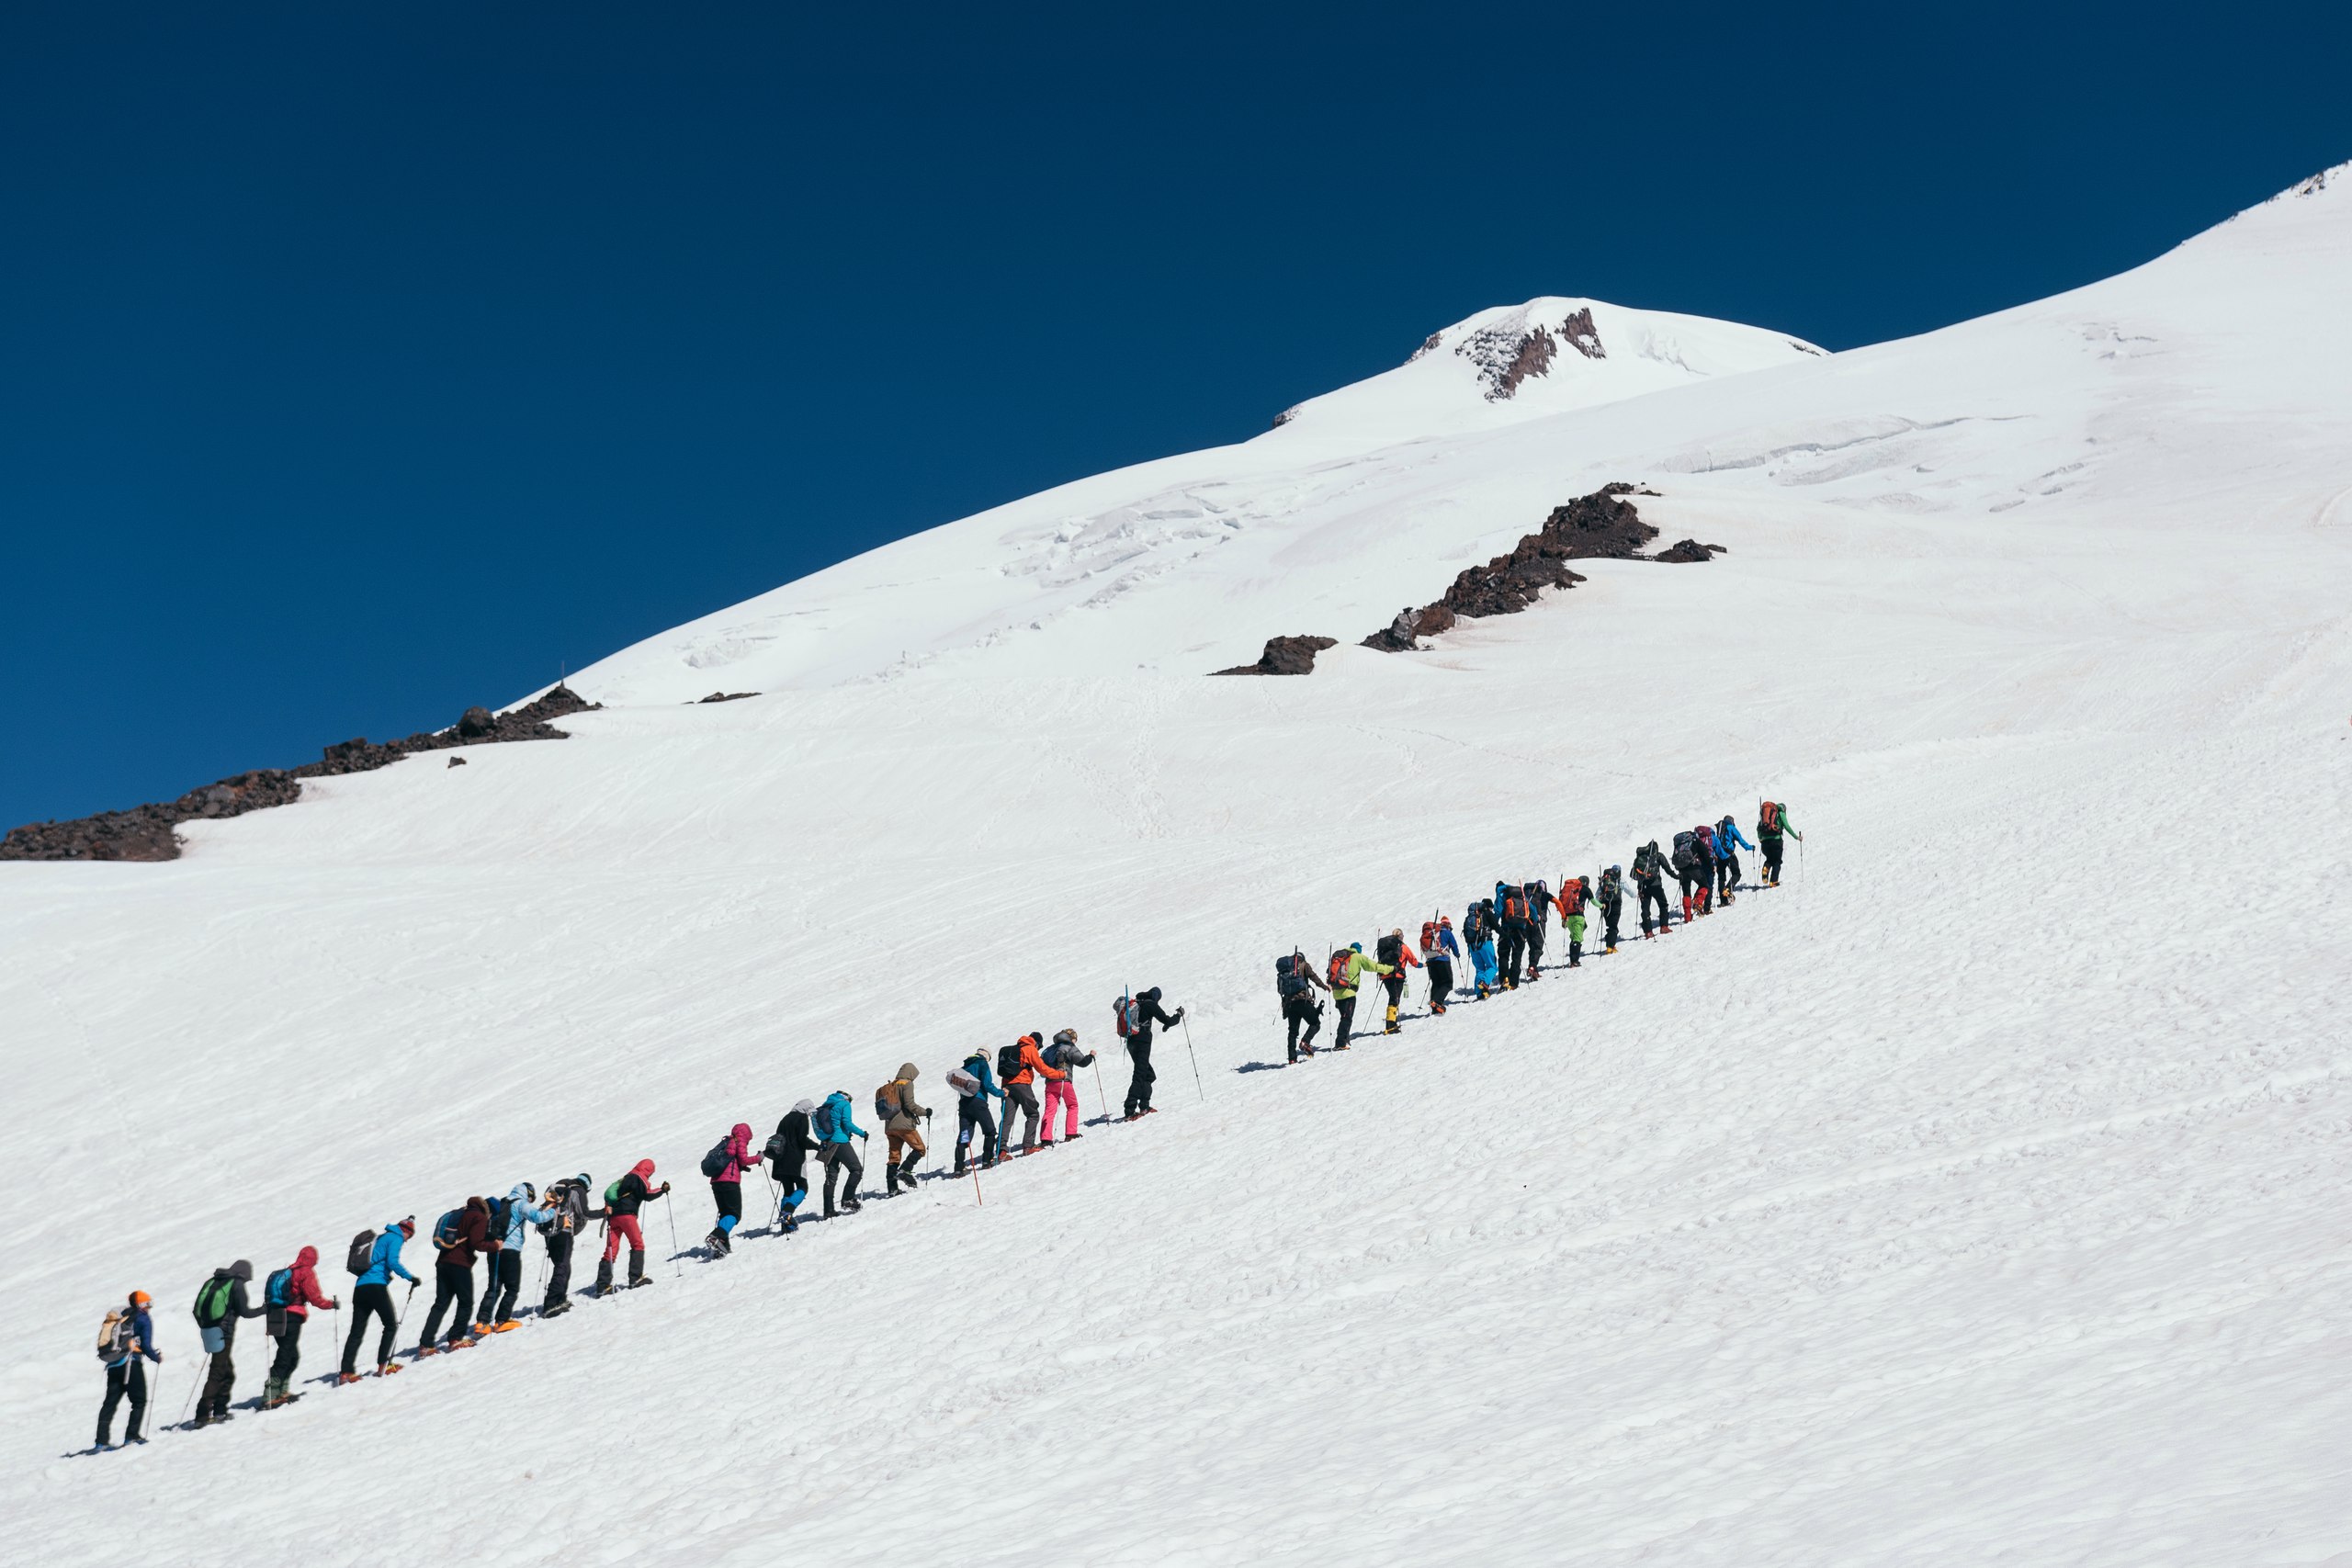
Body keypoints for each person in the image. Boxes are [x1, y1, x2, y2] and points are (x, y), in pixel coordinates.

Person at [191, 1258, 267, 1427]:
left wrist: (207, 1327)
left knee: (227, 1373)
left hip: (209, 1331)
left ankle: (220, 1411)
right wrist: (264, 1310)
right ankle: (203, 1415)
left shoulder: (214, 1281)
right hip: (223, 1334)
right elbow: (245, 1312)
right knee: (217, 1373)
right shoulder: (237, 1284)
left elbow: (196, 1309)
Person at [340, 1217, 418, 1382]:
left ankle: (345, 1372)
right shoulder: (395, 1238)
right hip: (376, 1286)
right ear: (406, 1231)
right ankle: (385, 1365)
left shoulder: (380, 1238)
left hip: (360, 1287)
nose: (406, 1241)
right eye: (408, 1237)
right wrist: (410, 1277)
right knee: (390, 1325)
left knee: (356, 1331)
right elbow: (393, 1261)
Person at [262, 1246, 336, 1408]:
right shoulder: (305, 1272)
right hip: (292, 1317)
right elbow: (315, 1297)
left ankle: (281, 1391)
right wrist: (330, 1304)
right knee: (285, 1355)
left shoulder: (288, 1271)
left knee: (291, 1355)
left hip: (275, 1316)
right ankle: (270, 1394)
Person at [419, 1197, 488, 1354]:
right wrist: (495, 1245)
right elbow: (477, 1243)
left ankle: (426, 1344)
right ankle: (455, 1339)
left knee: (440, 1304)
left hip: (443, 1262)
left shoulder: (459, 1214)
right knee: (465, 1302)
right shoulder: (479, 1217)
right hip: (460, 1264)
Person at [481, 1183, 556, 1323]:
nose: (530, 1201)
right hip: (511, 1250)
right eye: (531, 1198)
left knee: (493, 1287)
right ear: (528, 1194)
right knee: (512, 1287)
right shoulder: (520, 1203)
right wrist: (553, 1212)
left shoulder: (502, 1202)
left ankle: (482, 1322)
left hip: (493, 1248)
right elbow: (537, 1217)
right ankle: (502, 1320)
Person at [96, 1290, 161, 1450]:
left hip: (114, 1363)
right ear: (142, 1304)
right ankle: (131, 1437)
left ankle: (100, 1442)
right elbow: (145, 1345)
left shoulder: (122, 1316)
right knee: (139, 1401)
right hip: (131, 1364)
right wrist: (156, 1357)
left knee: (110, 1403)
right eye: (148, 1304)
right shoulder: (143, 1318)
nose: (149, 1308)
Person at [595, 1160, 670, 1294]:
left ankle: (603, 1285)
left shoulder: (626, 1177)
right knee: (637, 1245)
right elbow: (647, 1195)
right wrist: (662, 1190)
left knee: (611, 1250)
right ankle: (635, 1278)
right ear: (648, 1169)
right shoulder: (638, 1177)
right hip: (627, 1216)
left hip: (614, 1216)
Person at [537, 1175, 595, 1314]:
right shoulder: (578, 1191)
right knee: (562, 1266)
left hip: (550, 1232)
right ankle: (551, 1303)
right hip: (563, 1232)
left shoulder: (558, 1187)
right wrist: (603, 1213)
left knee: (561, 1266)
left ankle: (560, 1299)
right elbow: (583, 1213)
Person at [1122, 987, 1182, 1117]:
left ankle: (1144, 1105)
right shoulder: (1150, 1004)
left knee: (1148, 1074)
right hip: (1142, 1042)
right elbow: (1167, 1020)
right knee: (1139, 1074)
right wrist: (1178, 1015)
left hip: (1131, 1042)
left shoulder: (1137, 1003)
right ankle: (1129, 1110)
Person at [705, 1127, 759, 1256]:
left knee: (725, 1213)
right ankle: (716, 1236)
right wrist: (759, 1157)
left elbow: (732, 1160)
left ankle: (723, 1246)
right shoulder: (739, 1141)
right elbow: (743, 1159)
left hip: (716, 1182)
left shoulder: (726, 1141)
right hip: (730, 1182)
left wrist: (741, 1167)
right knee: (734, 1214)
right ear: (746, 1135)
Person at [768, 1104, 822, 1229]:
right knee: (803, 1187)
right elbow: (802, 1140)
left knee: (788, 1191)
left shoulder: (785, 1118)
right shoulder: (801, 1118)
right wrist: (817, 1146)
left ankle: (786, 1226)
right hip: (795, 1160)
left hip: (781, 1160)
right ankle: (787, 1211)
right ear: (806, 1108)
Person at [948, 1053, 1003, 1174]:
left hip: (964, 1105)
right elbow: (987, 1084)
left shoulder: (965, 1066)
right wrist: (1001, 1093)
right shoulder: (982, 1064)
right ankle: (986, 1161)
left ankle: (959, 1168)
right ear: (987, 1056)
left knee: (964, 1135)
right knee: (990, 1131)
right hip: (978, 1103)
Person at [1331, 943, 1392, 1049]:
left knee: (1344, 1017)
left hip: (1337, 992)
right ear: (1358, 950)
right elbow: (1374, 966)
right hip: (1348, 992)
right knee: (1347, 1018)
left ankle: (1345, 1040)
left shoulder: (1341, 957)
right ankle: (1340, 1043)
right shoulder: (1358, 957)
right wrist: (1390, 969)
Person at [817, 1092, 868, 1215]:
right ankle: (848, 1199)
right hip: (840, 1142)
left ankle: (828, 1210)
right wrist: (862, 1133)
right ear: (847, 1098)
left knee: (831, 1177)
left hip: (827, 1142)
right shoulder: (844, 1104)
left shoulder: (829, 1105)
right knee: (856, 1169)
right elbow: (847, 1123)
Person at [882, 1064, 931, 1192]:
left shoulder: (891, 1085)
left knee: (894, 1156)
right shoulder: (907, 1084)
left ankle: (892, 1189)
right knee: (920, 1149)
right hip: (904, 1125)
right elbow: (910, 1104)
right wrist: (925, 1112)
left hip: (889, 1126)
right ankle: (905, 1170)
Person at [1041, 1028, 1095, 1142]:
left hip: (1050, 1082)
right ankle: (1070, 1133)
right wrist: (1090, 1056)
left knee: (1049, 1111)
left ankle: (1045, 1138)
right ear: (1071, 1038)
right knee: (1072, 1105)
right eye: (1075, 1039)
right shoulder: (1069, 1047)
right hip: (1063, 1080)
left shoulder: (1050, 1049)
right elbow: (1082, 1062)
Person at [1278, 949, 1330, 1062]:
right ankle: (1305, 1042)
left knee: (1292, 1031)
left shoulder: (1285, 971)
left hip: (1290, 1004)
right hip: (1303, 1000)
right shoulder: (1304, 965)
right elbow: (1313, 977)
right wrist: (1325, 987)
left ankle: (1292, 1058)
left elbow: (1280, 990)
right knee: (1315, 1023)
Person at [999, 1039, 1044, 1155]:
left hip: (1006, 1086)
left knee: (1007, 1119)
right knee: (1033, 1114)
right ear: (1037, 1043)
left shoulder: (1013, 1050)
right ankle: (1028, 1147)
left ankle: (1001, 1150)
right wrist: (1060, 1074)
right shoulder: (1030, 1048)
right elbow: (1042, 1068)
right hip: (1022, 1085)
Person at [1374, 929, 1421, 1034]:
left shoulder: (1386, 947)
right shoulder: (1402, 947)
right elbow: (1414, 962)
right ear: (1401, 936)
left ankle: (1392, 1024)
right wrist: (1424, 965)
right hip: (1397, 976)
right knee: (1395, 999)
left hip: (1386, 976)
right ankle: (1390, 1026)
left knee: (1393, 997)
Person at [1494, 882, 1532, 988]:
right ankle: (1514, 983)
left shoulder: (1502, 896)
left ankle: (1504, 979)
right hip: (1521, 930)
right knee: (1517, 957)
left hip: (1506, 930)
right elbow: (1531, 908)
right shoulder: (1520, 895)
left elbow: (1497, 911)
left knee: (1503, 955)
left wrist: (1495, 925)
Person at [1419, 917, 1460, 1016]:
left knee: (1436, 983)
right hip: (1443, 960)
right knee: (1447, 983)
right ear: (1448, 925)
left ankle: (1434, 1007)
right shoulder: (1447, 932)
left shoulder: (1433, 933)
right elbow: (1454, 945)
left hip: (1431, 962)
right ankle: (1437, 1002)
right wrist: (1457, 954)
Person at [1632, 841, 1674, 937]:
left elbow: (1636, 875)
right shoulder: (1658, 856)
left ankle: (1648, 932)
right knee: (1663, 904)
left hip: (1643, 887)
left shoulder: (1640, 858)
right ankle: (1664, 927)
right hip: (1656, 885)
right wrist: (1676, 876)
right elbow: (1667, 868)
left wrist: (1639, 888)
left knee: (1645, 908)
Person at [1714, 814, 1756, 903]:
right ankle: (1728, 889)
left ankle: (1723, 901)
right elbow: (1740, 840)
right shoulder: (1731, 828)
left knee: (1721, 878)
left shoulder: (1718, 828)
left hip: (1719, 855)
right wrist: (1750, 847)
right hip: (1729, 854)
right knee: (1736, 874)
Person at [1758, 801, 1800, 886]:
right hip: (1776, 841)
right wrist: (1796, 837)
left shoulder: (1765, 814)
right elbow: (1787, 826)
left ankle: (1766, 868)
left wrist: (1760, 838)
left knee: (1769, 859)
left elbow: (1759, 827)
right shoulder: (1780, 813)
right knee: (1777, 861)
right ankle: (1773, 881)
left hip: (1765, 843)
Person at [1556, 874, 1590, 968]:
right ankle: (1574, 961)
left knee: (1574, 937)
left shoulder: (1572, 889)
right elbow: (1594, 901)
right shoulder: (1585, 889)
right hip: (1578, 917)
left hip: (1568, 918)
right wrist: (1601, 906)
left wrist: (1563, 919)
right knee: (1577, 939)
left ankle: (1573, 960)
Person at [1524, 880, 1554, 978]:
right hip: (1539, 923)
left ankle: (1533, 969)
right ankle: (1532, 967)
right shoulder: (1543, 895)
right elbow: (1556, 901)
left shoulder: (1528, 896)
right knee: (1538, 947)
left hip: (1528, 923)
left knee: (1532, 947)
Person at [1596, 865, 1625, 953]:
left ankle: (1611, 945)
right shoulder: (1619, 880)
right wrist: (1636, 896)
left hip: (1605, 905)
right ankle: (1610, 947)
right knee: (1613, 927)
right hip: (1616, 904)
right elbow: (1629, 891)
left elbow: (1597, 895)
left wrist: (1600, 904)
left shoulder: (1604, 881)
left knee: (1610, 926)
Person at [1692, 823, 1720, 915]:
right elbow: (1720, 851)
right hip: (1710, 863)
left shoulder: (1698, 839)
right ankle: (1707, 908)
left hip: (1699, 864)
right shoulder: (1714, 838)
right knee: (1709, 885)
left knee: (1702, 884)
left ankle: (1697, 901)